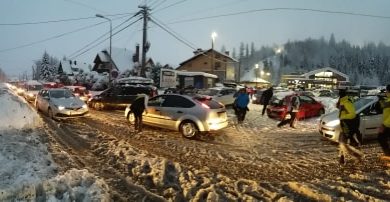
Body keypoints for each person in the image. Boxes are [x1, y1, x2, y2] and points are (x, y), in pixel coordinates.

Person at [337, 89, 363, 165]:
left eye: (340, 94)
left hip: (347, 126)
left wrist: (343, 117)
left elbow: (352, 114)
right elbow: (340, 109)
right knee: (343, 142)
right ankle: (343, 157)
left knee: (343, 142)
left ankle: (355, 156)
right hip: (344, 125)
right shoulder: (342, 101)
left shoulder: (347, 102)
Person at [378, 84, 390, 158]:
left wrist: (384, 124)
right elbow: (383, 106)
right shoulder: (388, 100)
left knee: (381, 138)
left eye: (387, 91)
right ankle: (388, 153)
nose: (386, 92)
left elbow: (385, 105)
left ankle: (388, 154)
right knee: (382, 138)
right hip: (387, 124)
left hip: (388, 124)